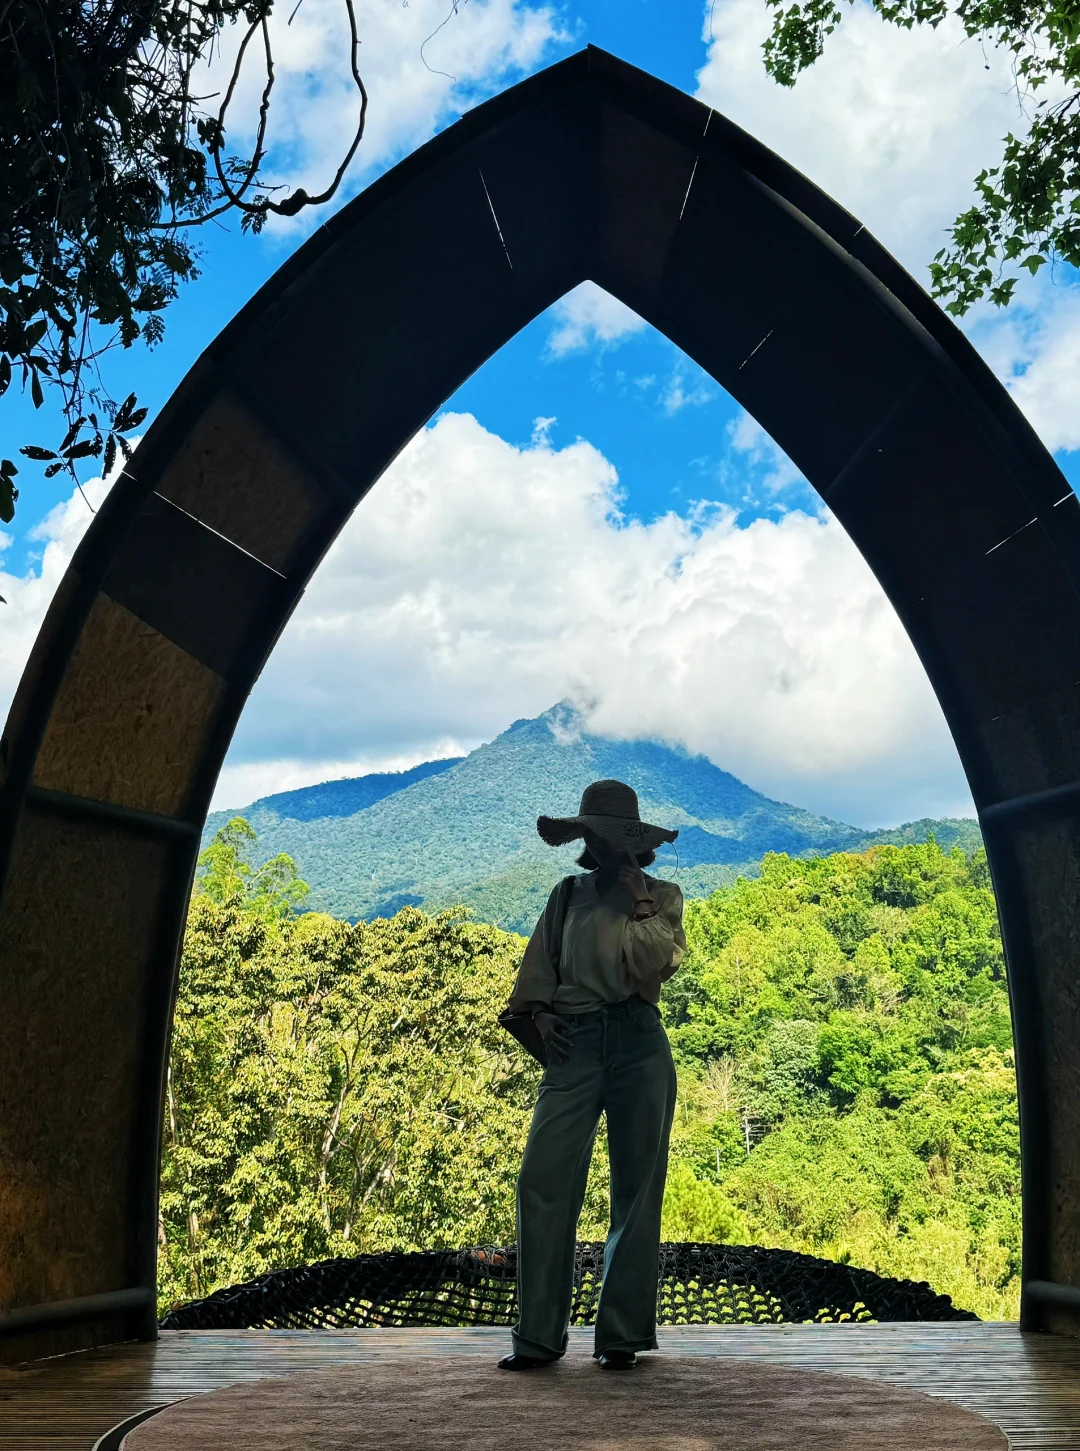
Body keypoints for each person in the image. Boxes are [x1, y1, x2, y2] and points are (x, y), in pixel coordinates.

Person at [498, 779, 685, 1373]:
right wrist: (544, 1012)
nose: (606, 849)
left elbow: (657, 966)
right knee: (541, 1180)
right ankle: (537, 1337)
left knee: (637, 1188)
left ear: (637, 844)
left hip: (638, 1042)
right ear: (586, 841)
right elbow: (540, 969)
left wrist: (639, 898)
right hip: (574, 1045)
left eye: (616, 839)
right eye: (596, 838)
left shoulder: (664, 895)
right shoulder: (568, 894)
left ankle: (621, 1337)